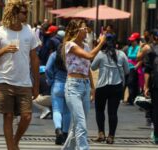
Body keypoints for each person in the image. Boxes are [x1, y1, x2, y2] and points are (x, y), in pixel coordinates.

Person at [0, 1, 39, 150]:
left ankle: (14, 143)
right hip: (4, 81)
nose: (26, 15)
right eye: (23, 12)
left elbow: (34, 59)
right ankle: (11, 148)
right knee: (8, 116)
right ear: (14, 13)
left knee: (27, 116)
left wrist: (36, 85)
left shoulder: (29, 31)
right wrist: (4, 50)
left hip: (24, 82)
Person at [61, 19, 105, 150]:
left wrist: (92, 87)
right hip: (73, 86)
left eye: (87, 29)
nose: (87, 31)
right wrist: (101, 43)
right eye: (84, 29)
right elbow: (90, 56)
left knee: (78, 125)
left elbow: (88, 68)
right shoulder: (70, 45)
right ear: (76, 31)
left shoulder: (86, 46)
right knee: (81, 124)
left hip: (85, 85)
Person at [91, 33, 129, 144]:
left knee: (99, 110)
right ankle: (111, 136)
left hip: (102, 86)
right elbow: (127, 71)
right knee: (113, 113)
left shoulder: (101, 54)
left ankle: (101, 134)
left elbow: (93, 67)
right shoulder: (121, 54)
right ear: (116, 43)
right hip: (116, 87)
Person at [46, 44, 71, 145]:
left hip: (57, 84)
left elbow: (47, 68)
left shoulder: (54, 55)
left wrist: (50, 79)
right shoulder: (71, 55)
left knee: (56, 110)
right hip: (69, 85)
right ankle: (65, 134)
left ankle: (58, 129)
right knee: (67, 111)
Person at [144, 29, 158, 144]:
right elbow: (147, 70)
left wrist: (146, 86)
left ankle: (156, 134)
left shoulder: (151, 50)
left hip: (155, 83)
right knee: (155, 109)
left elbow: (147, 70)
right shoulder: (151, 50)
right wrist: (146, 86)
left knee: (156, 109)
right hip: (155, 84)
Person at [126, 32, 142, 105]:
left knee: (131, 83)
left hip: (134, 67)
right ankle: (131, 98)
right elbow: (127, 57)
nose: (131, 42)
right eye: (131, 41)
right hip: (128, 67)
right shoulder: (129, 48)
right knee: (129, 83)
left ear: (137, 40)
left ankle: (132, 98)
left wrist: (137, 66)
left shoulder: (139, 48)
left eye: (133, 40)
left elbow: (140, 58)